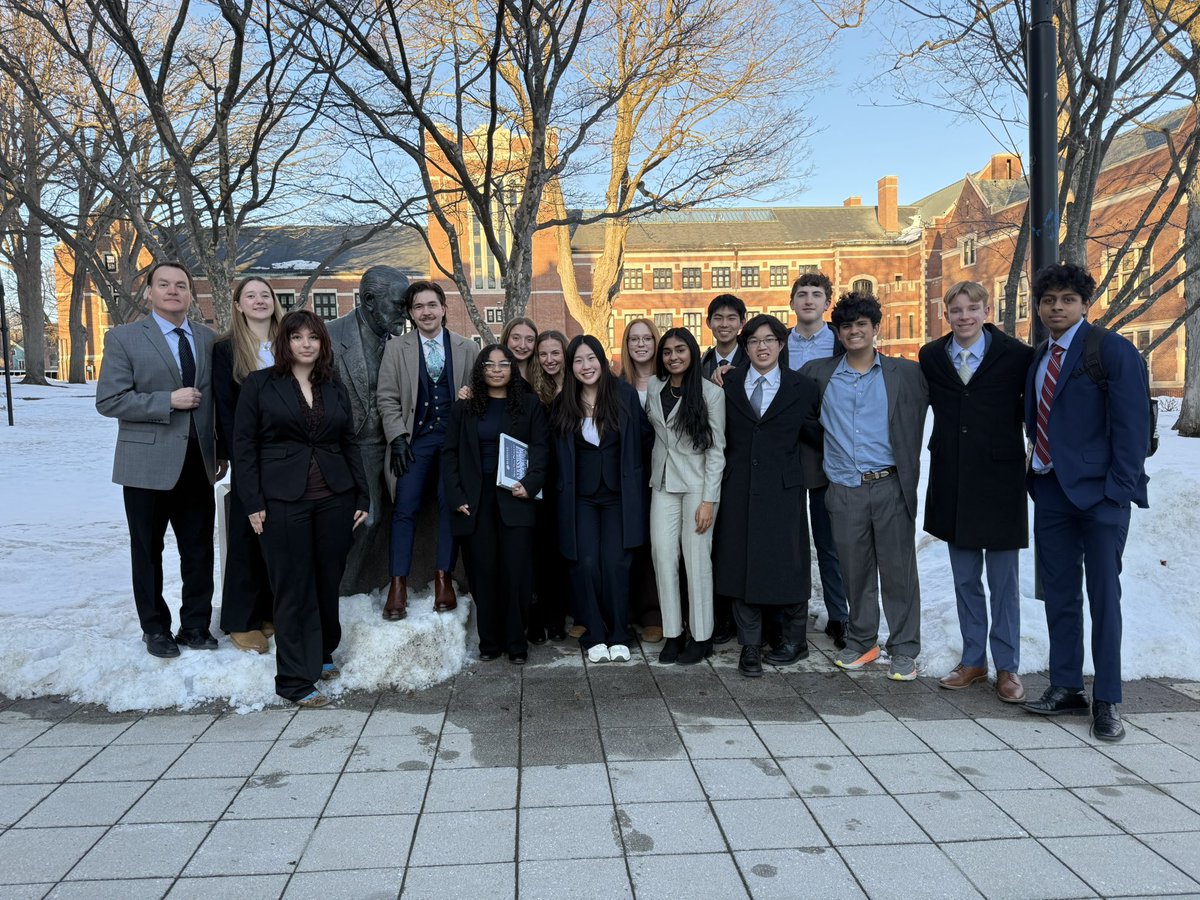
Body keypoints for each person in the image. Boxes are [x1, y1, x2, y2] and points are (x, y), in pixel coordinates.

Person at [1021, 263, 1150, 742]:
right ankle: (1067, 685)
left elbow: (1134, 429)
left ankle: (1108, 699)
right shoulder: (1041, 356)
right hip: (1052, 491)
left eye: (1067, 300)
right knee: (1059, 595)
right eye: (1048, 300)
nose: (1057, 307)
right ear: (1039, 306)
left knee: (1104, 598)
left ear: (1084, 304)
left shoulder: (1111, 350)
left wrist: (1118, 493)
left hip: (1102, 497)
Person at [233, 309, 369, 708]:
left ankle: (322, 652)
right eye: (297, 337)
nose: (306, 344)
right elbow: (244, 447)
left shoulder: (333, 385)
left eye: (313, 337)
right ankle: (294, 680)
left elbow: (348, 442)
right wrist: (252, 502)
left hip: (335, 499)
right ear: (285, 342)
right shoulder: (260, 384)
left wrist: (362, 496)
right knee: (292, 587)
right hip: (281, 501)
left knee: (327, 581)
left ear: (323, 344)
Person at [96, 261, 226, 659]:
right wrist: (167, 400)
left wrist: (220, 449)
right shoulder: (124, 338)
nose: (173, 291)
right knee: (147, 550)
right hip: (145, 464)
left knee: (198, 550)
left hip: (198, 462)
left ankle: (196, 626)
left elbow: (218, 401)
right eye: (164, 284)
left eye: (181, 285)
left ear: (190, 294)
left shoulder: (210, 339)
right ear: (149, 292)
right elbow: (110, 400)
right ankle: (154, 629)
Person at [801, 292, 929, 681]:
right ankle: (862, 641)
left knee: (898, 572)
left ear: (875, 328)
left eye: (861, 324)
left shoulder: (906, 374)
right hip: (843, 488)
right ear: (838, 333)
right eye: (846, 326)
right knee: (854, 572)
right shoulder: (818, 374)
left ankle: (904, 649)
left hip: (890, 485)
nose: (854, 331)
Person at [919, 281, 1033, 703]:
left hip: (1000, 481)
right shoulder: (931, 356)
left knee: (1003, 583)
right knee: (965, 578)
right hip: (954, 478)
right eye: (956, 310)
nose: (964, 317)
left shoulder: (1017, 355)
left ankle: (1007, 666)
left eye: (972, 309)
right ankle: (973, 660)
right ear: (946, 314)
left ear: (987, 311)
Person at [714, 314, 822, 677]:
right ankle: (750, 644)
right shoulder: (726, 384)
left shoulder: (802, 387)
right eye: (754, 341)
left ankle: (794, 639)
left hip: (784, 489)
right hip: (738, 486)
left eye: (769, 340)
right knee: (741, 562)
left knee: (788, 563)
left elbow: (818, 434)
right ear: (745, 348)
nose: (762, 347)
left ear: (781, 344)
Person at [377, 280, 480, 620]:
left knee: (450, 505)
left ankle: (443, 579)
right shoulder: (396, 349)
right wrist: (397, 436)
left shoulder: (467, 348)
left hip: (453, 443)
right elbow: (387, 397)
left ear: (444, 308)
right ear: (410, 313)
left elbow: (480, 394)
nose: (426, 312)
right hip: (415, 440)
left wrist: (470, 398)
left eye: (432, 305)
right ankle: (398, 585)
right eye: (418, 306)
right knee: (404, 506)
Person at [442, 344, 549, 663]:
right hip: (475, 500)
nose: (497, 370)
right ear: (480, 370)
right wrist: (456, 495)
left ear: (513, 369)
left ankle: (517, 643)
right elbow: (449, 453)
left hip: (515, 496)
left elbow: (541, 448)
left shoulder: (529, 405)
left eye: (504, 364)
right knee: (483, 572)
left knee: (516, 573)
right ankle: (489, 642)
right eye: (490, 365)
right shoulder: (464, 406)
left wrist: (530, 484)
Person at [552, 335, 652, 663]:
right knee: (586, 563)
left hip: (618, 496)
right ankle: (594, 632)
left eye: (591, 358)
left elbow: (645, 439)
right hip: (580, 497)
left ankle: (620, 632)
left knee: (615, 563)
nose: (586, 366)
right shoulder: (564, 402)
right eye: (578, 361)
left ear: (602, 360)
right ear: (571, 367)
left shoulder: (623, 395)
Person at [327, 265, 411, 595]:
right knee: (368, 517)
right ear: (369, 300)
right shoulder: (330, 337)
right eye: (398, 304)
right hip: (345, 447)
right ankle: (338, 594)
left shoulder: (400, 344)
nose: (405, 313)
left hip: (388, 446)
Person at [213, 276, 285, 654]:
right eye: (250, 296)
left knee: (279, 534)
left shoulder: (290, 342)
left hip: (289, 454)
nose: (259, 301)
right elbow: (225, 409)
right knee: (246, 534)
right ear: (238, 306)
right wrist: (234, 454)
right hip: (249, 453)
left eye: (265, 295)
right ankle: (241, 620)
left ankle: (270, 611)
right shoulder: (226, 350)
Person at [646, 328, 726, 665]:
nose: (673, 356)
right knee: (663, 557)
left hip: (697, 487)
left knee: (696, 561)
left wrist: (709, 500)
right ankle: (673, 633)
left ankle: (702, 636)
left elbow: (717, 452)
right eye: (667, 351)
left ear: (692, 352)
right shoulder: (655, 387)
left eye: (680, 350)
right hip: (663, 483)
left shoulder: (711, 394)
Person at [785, 272, 850, 650]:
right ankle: (789, 612)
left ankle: (838, 614)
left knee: (829, 539)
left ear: (827, 303)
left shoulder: (841, 342)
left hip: (829, 450)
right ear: (792, 302)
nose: (808, 300)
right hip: (786, 450)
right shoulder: (777, 343)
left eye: (816, 294)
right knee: (789, 540)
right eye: (802, 294)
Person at [618, 317, 662, 643]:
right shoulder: (616, 386)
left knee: (657, 544)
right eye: (634, 339)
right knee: (630, 541)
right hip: (628, 474)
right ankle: (628, 610)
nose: (641, 344)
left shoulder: (671, 381)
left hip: (665, 474)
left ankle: (654, 613)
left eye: (647, 338)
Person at [529, 330, 571, 641]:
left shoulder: (578, 388)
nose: (549, 360)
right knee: (541, 550)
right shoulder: (535, 391)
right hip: (542, 480)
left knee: (564, 550)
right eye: (543, 354)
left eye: (555, 353)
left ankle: (559, 617)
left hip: (570, 479)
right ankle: (539, 616)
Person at [700, 294, 748, 378]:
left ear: (742, 323)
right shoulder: (702, 364)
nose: (724, 324)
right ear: (708, 323)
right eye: (718, 318)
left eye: (731, 318)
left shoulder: (752, 362)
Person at [500, 317, 538, 382]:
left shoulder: (544, 377)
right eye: (516, 338)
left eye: (529, 340)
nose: (522, 346)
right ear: (506, 339)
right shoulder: (493, 375)